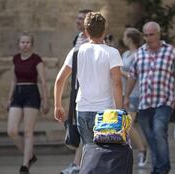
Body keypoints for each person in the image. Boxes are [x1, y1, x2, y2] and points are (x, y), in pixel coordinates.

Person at [54, 10, 123, 151]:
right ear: (104, 30)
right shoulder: (112, 53)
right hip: (106, 111)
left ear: (86, 31)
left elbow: (60, 80)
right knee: (105, 154)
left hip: (83, 111)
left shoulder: (76, 52)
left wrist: (58, 105)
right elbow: (117, 83)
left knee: (89, 152)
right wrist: (119, 110)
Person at [124, 21, 175, 174]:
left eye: (151, 35)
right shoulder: (140, 53)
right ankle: (156, 168)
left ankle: (163, 168)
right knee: (151, 137)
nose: (148, 38)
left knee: (159, 131)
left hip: (164, 101)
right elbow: (133, 76)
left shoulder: (170, 51)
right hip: (144, 102)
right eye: (145, 35)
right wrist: (126, 96)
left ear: (159, 34)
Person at [7, 32, 49, 174]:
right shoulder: (16, 59)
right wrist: (9, 98)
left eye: (28, 42)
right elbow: (13, 79)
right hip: (18, 93)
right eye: (22, 42)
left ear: (32, 44)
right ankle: (30, 155)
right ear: (19, 44)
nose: (25, 44)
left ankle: (25, 165)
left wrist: (45, 100)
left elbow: (42, 81)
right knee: (11, 131)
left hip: (32, 93)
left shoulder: (37, 60)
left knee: (28, 131)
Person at [61, 9, 92, 174]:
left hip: (89, 89)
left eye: (82, 19)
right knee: (75, 125)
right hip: (76, 88)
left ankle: (77, 164)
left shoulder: (94, 41)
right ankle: (77, 163)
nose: (78, 21)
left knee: (84, 126)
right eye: (77, 18)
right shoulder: (77, 38)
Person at [121, 27, 148, 168]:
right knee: (126, 125)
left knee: (128, 125)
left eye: (125, 36)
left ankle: (142, 150)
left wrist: (121, 72)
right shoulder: (125, 54)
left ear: (130, 39)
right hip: (125, 94)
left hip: (136, 94)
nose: (123, 39)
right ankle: (139, 149)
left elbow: (137, 76)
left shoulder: (138, 54)